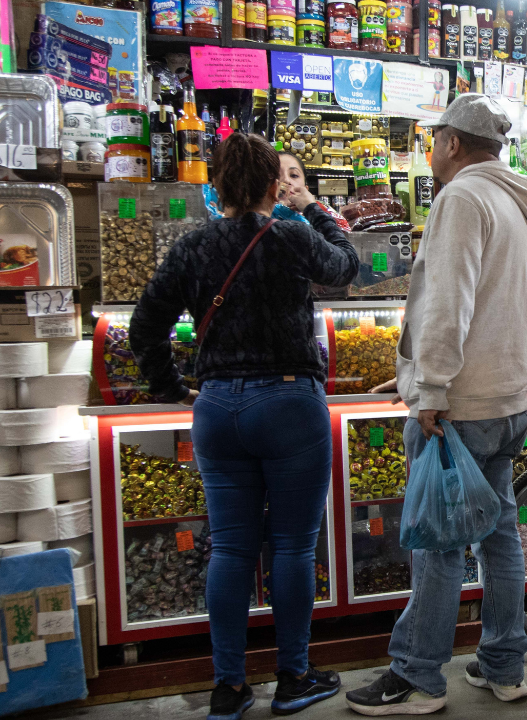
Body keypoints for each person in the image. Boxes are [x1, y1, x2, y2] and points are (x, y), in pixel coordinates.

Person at [130, 133, 360, 720]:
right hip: (287, 404)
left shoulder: (193, 246)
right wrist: (310, 205)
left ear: (216, 186)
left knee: (230, 550)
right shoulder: (290, 234)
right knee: (291, 547)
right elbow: (346, 267)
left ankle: (228, 687)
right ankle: (293, 677)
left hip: (217, 408)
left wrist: (170, 388)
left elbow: (145, 326)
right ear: (269, 184)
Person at [344, 94, 527, 716]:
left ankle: (418, 677)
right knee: (499, 538)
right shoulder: (515, 202)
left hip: (460, 408)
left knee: (438, 544)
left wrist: (429, 388)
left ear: (453, 143)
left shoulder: (461, 197)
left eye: (434, 140)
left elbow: (447, 305)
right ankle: (503, 666)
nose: (431, 152)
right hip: (507, 400)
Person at [275, 152, 352, 232]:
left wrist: (311, 209)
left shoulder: (323, 213)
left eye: (294, 175)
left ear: (306, 189)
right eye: (276, 176)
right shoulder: (262, 223)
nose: (286, 180)